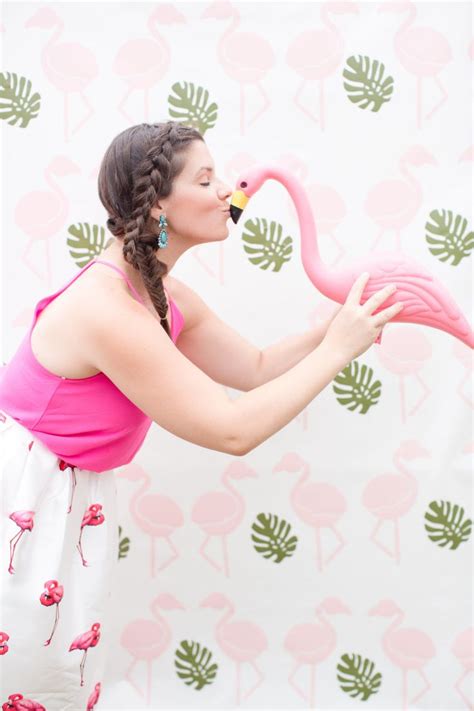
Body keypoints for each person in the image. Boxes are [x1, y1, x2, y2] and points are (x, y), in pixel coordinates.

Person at [0, 120, 404, 709]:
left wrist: (336, 328)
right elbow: (232, 430)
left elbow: (259, 366)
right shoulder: (105, 307)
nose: (226, 193)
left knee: (48, 681)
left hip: (64, 501)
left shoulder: (161, 294)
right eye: (207, 179)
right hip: (23, 498)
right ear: (157, 204)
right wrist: (340, 350)